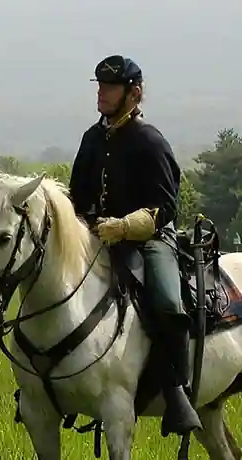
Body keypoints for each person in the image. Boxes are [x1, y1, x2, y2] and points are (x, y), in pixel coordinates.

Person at [68, 55, 202, 437]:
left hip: (150, 241)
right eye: (99, 86)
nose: (101, 93)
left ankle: (177, 394)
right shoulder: (92, 138)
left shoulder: (150, 141)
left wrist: (125, 226)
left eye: (109, 87)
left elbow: (166, 208)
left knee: (167, 302)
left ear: (134, 93)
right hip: (96, 237)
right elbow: (78, 194)